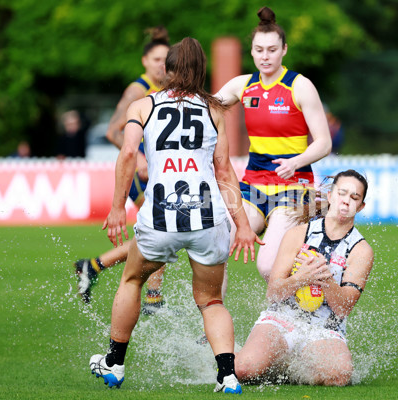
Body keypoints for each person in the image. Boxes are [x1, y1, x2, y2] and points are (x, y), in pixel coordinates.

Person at [88, 37, 262, 393]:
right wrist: (242, 225)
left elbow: (127, 154)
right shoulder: (214, 110)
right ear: (202, 72)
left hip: (159, 218)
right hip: (208, 219)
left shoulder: (143, 106)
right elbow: (225, 171)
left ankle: (115, 364)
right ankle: (227, 375)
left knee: (133, 280)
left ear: (166, 70)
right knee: (211, 300)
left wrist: (118, 206)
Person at [216, 7, 332, 282]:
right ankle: (213, 319)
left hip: (294, 187)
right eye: (259, 50)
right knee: (216, 249)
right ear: (252, 52)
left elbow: (324, 143)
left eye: (271, 50)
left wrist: (295, 162)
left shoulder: (300, 86)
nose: (265, 56)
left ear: (284, 50)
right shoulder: (241, 85)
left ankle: (291, 316)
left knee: (268, 267)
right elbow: (204, 110)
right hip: (253, 186)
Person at [234, 169, 374, 386]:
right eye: (342, 193)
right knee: (244, 370)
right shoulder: (299, 232)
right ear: (330, 196)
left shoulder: (361, 250)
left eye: (354, 198)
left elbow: (343, 308)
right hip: (282, 318)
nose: (346, 201)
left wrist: (326, 279)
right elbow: (273, 292)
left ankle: (294, 360)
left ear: (361, 206)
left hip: (325, 328)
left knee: (338, 376)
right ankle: (266, 353)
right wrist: (301, 278)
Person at [74, 26, 170, 312]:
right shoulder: (138, 89)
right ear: (144, 62)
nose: (162, 65)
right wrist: (139, 157)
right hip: (139, 174)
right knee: (161, 230)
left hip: (157, 172)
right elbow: (114, 131)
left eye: (166, 59)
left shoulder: (165, 89)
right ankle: (152, 299)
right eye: (156, 60)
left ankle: (93, 266)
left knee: (160, 231)